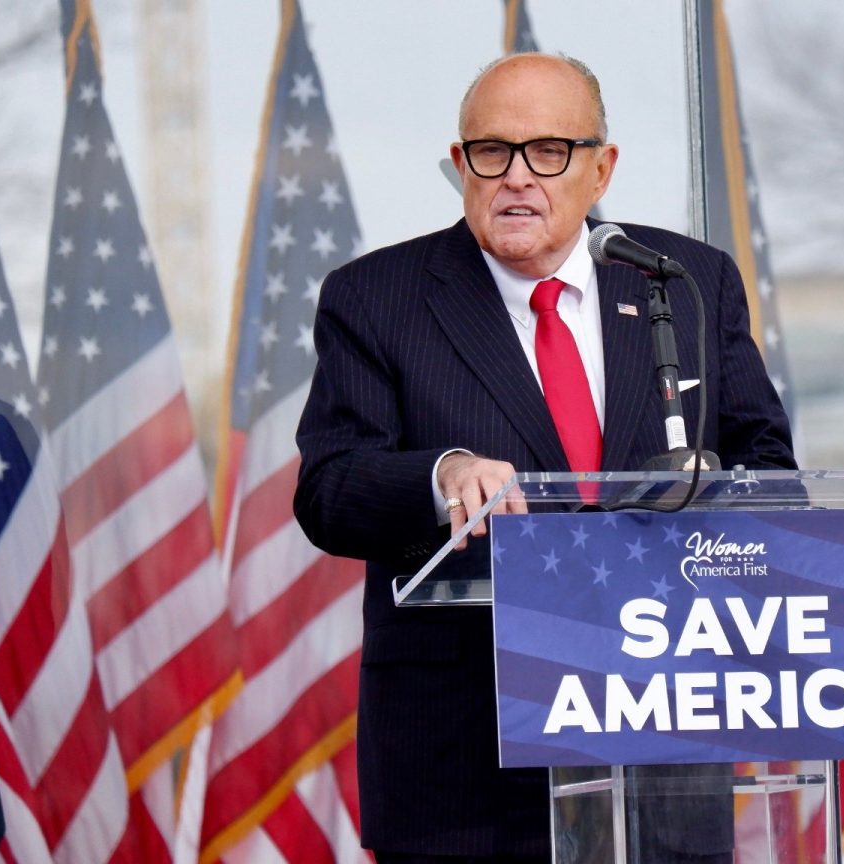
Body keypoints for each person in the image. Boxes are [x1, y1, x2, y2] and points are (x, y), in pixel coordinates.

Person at [294, 52, 796, 863]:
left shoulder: (684, 283)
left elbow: (768, 463)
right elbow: (330, 487)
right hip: (466, 771)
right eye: (492, 151)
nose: (517, 176)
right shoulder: (377, 298)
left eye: (549, 151)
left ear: (602, 169)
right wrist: (441, 475)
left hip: (660, 751)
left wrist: (709, 497)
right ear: (461, 165)